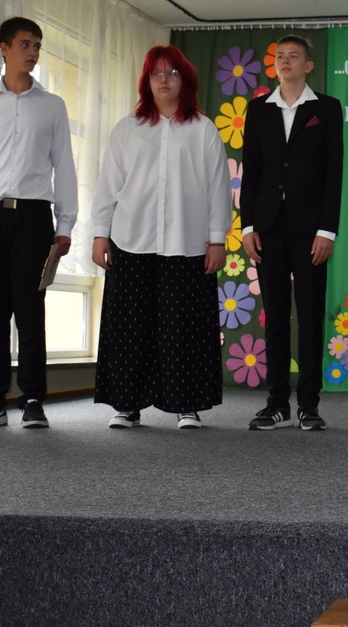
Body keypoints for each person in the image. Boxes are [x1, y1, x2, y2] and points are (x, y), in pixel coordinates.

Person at [90, 46, 231, 430]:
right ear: (146, 81)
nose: (164, 80)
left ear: (185, 80)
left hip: (187, 244)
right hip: (131, 240)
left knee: (184, 329)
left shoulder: (203, 129)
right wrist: (100, 233)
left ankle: (187, 406)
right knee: (129, 328)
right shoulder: (127, 128)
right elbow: (108, 185)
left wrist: (217, 240)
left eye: (172, 72)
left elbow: (218, 188)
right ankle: (127, 405)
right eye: (157, 73)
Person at [0, 17, 78, 430]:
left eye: (37, 45)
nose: (33, 52)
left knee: (29, 312)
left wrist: (65, 225)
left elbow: (65, 167)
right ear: (4, 48)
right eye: (25, 44)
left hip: (34, 217)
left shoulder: (52, 106)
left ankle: (33, 399)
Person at [239, 35, 343, 431]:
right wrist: (248, 226)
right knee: (276, 318)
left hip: (311, 228)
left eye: (294, 56)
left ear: (308, 65)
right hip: (268, 227)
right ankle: (277, 402)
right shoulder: (258, 109)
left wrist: (327, 230)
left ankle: (309, 405)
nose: (285, 61)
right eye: (280, 56)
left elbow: (333, 173)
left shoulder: (327, 108)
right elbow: (251, 172)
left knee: (311, 316)